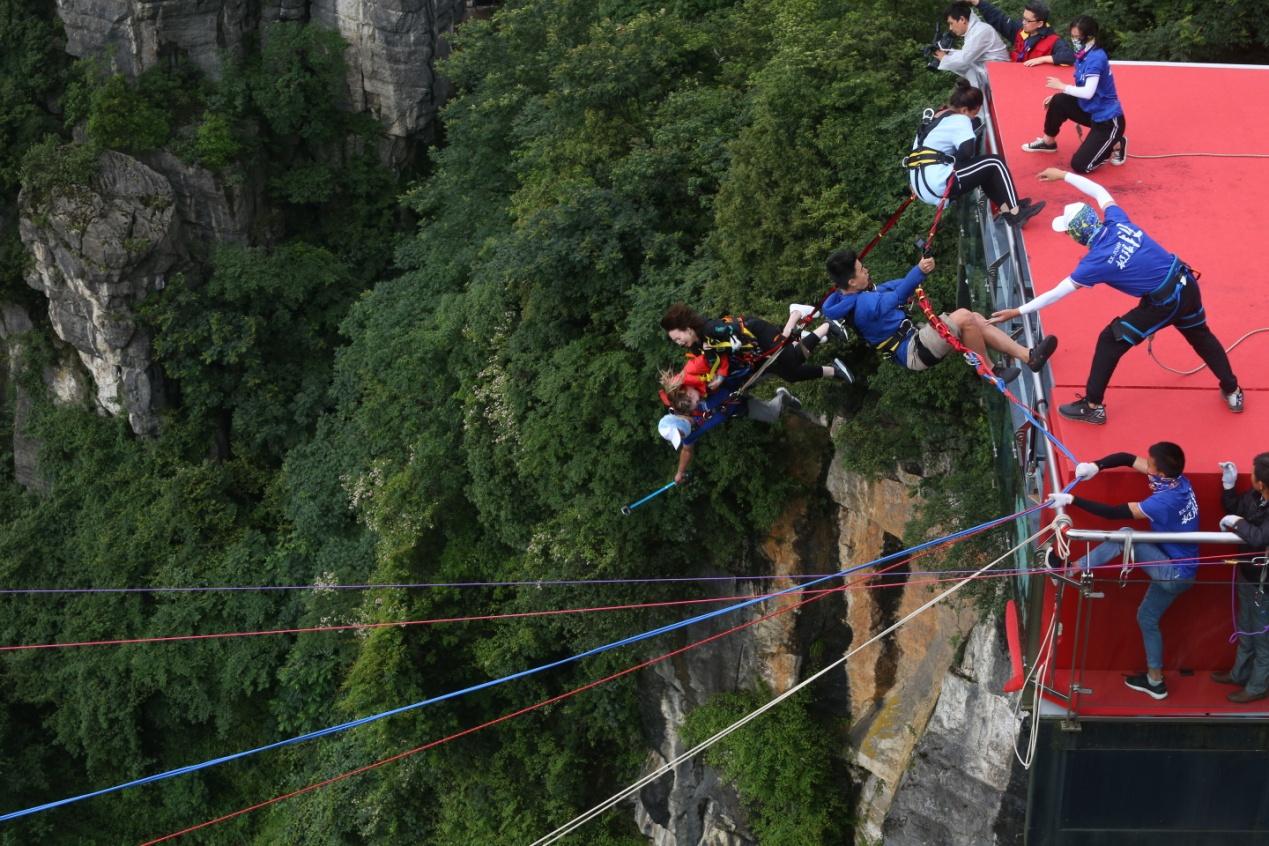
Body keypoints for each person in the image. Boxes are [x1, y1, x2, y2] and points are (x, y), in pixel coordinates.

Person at [989, 168, 1244, 424]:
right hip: (1186, 283)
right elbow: (1099, 191)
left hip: (1163, 304)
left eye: (1067, 232)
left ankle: (1093, 406)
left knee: (1109, 340)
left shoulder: (1093, 264)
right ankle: (1233, 391)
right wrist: (1063, 175)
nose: (1067, 235)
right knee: (1201, 336)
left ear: (1076, 235)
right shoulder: (1116, 220)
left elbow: (1056, 293)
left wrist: (1017, 311)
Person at [1047, 442, 1199, 700]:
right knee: (1147, 618)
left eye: (1150, 464)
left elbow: (1113, 514)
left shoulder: (1163, 501)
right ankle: (1155, 682)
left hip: (1173, 572)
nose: (1146, 466)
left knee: (1125, 535)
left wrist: (1072, 500)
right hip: (1179, 569)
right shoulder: (1179, 483)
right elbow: (1128, 458)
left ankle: (1070, 570)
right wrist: (1096, 466)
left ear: (1161, 473)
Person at [822, 252, 1056, 380]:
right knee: (964, 317)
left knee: (973, 317)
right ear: (852, 282)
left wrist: (916, 276)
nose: (866, 271)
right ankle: (990, 371)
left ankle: (1029, 356)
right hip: (912, 351)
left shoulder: (858, 296)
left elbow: (896, 287)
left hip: (914, 341)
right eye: (861, 270)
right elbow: (896, 296)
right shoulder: (861, 305)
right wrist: (918, 272)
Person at [905, 78, 1046, 227]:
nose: (974, 118)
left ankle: (1008, 209)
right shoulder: (960, 119)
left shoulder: (938, 115)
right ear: (964, 110)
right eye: (974, 113)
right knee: (995, 162)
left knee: (984, 174)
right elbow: (967, 151)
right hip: (938, 184)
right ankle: (1016, 213)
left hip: (921, 186)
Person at [660, 303, 853, 392]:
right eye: (675, 341)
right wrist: (719, 377)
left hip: (758, 333)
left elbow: (732, 329)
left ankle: (826, 325)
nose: (679, 343)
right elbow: (718, 361)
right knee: (791, 374)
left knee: (790, 359)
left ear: (687, 328)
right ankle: (833, 369)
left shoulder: (710, 329)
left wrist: (730, 340)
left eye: (678, 338)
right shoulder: (697, 347)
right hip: (752, 352)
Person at [1019, 15, 1126, 172]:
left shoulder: (1096, 58)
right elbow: (1082, 86)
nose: (1074, 40)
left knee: (1080, 166)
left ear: (1090, 36)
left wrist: (1062, 87)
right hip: (1091, 111)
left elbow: (1088, 92)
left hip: (1107, 120)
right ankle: (1048, 142)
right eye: (1072, 36)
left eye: (1077, 37)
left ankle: (1117, 142)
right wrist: (1062, 95)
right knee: (1058, 101)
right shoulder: (1082, 53)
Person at [658, 377, 801, 484]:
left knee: (769, 371)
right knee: (772, 414)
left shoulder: (689, 402)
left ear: (678, 418)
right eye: (680, 436)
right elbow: (686, 450)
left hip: (735, 383)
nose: (683, 435)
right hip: (736, 406)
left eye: (680, 432)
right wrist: (680, 472)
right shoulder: (689, 434)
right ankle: (783, 396)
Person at [1212, 453, 1269, 704]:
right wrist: (1228, 486)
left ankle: (1258, 686)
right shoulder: (1256, 496)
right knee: (1246, 627)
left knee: (1263, 637)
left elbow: (1259, 537)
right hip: (1248, 573)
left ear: (1261, 483)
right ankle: (1241, 673)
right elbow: (1235, 509)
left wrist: (1236, 523)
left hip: (1265, 583)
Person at [967, 0, 1074, 66]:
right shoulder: (1021, 30)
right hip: (1014, 75)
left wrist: (1041, 60)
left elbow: (1070, 57)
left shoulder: (1053, 41)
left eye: (1028, 20)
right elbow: (999, 19)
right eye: (1023, 18)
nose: (1023, 22)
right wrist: (977, 2)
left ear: (1040, 23)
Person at [934, 2, 1010, 90]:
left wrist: (944, 58)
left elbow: (964, 60)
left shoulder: (979, 32)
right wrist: (947, 54)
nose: (950, 28)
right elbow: (966, 54)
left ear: (962, 19)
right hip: (995, 73)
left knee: (968, 71)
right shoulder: (974, 31)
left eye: (951, 23)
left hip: (1001, 76)